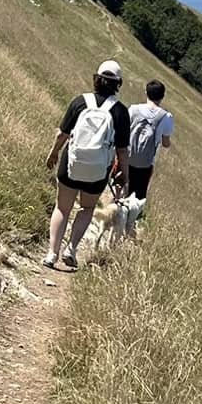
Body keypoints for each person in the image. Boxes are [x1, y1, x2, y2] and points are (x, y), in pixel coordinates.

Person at [44, 61, 130, 269]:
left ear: (96, 79)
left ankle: (51, 254)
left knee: (62, 208)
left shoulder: (80, 102)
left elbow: (62, 134)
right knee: (87, 207)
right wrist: (123, 174)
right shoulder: (120, 112)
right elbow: (122, 150)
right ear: (118, 84)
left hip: (70, 164)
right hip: (98, 170)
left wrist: (53, 153)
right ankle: (71, 249)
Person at [126, 79, 174, 205]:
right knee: (137, 197)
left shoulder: (133, 109)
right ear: (162, 97)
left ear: (146, 92)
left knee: (120, 186)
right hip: (146, 163)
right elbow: (166, 143)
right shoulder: (166, 117)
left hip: (126, 156)